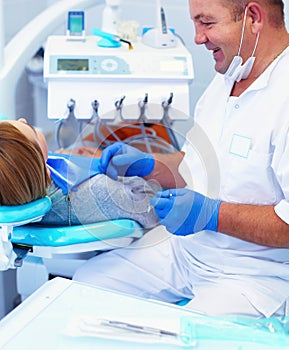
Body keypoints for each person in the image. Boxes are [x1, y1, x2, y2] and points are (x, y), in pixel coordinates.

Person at [73, 0, 289, 318]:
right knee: (85, 286)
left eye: (207, 22)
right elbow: (194, 165)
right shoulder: (228, 79)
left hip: (254, 277)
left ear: (253, 17)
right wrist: (149, 166)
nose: (198, 38)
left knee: (187, 329)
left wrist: (212, 215)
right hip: (185, 254)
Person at [0, 119, 160, 228]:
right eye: (32, 130)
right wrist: (146, 169)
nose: (22, 119)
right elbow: (153, 211)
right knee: (147, 131)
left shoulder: (18, 182)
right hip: (140, 229)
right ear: (45, 171)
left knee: (112, 130)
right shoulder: (101, 191)